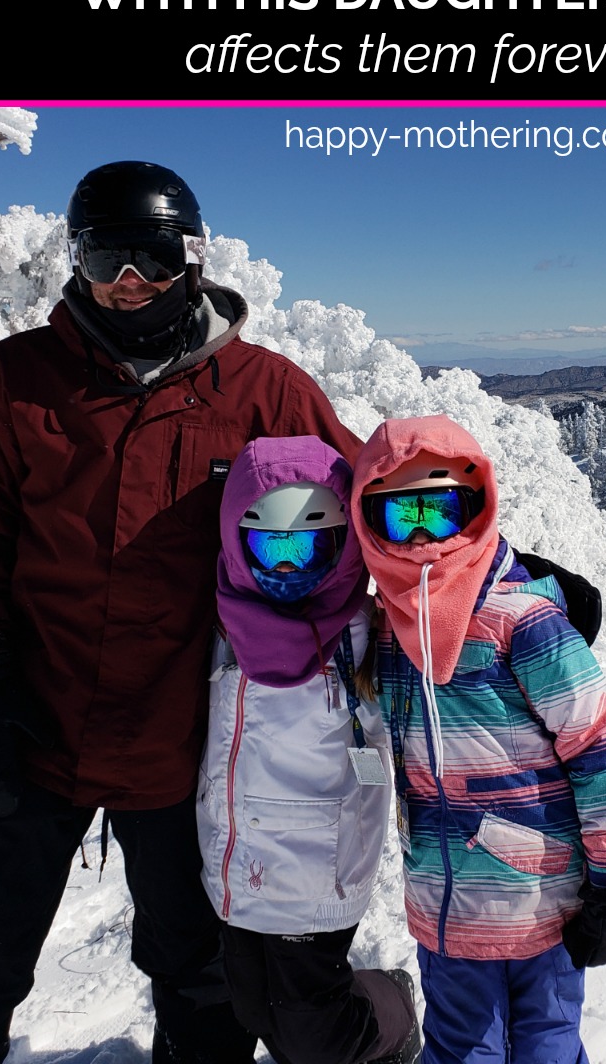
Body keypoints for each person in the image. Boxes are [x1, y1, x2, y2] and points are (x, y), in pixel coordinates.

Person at [0, 160, 361, 1064]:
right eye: (106, 258)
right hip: (36, 720)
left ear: (191, 257)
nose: (127, 282)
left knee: (204, 974)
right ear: (76, 261)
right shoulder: (9, 386)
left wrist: (499, 582)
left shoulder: (267, 393)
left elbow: (356, 529)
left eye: (148, 256)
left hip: (192, 737)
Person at [350, 413, 606, 1064]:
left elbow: (605, 754)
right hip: (446, 913)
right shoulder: (384, 633)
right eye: (403, 516)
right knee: (460, 1052)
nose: (426, 534)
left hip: (543, 905)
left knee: (546, 1048)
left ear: (477, 505)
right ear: (369, 523)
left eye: (442, 510)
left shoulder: (523, 624)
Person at [196, 434, 423, 1064]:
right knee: (249, 1004)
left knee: (310, 1033)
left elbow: (453, 589)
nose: (289, 569)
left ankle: (391, 1015)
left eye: (310, 545)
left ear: (344, 543)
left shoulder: (371, 628)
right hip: (238, 861)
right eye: (273, 545)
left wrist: (545, 589)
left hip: (319, 864)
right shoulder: (221, 618)